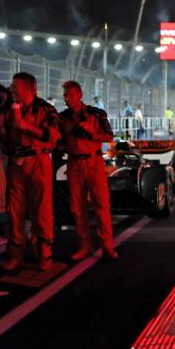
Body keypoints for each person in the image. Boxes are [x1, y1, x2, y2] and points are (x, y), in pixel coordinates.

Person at [2, 72, 61, 272]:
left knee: (42, 208)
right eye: (12, 86)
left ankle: (44, 249)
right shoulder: (7, 109)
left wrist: (25, 125)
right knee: (14, 209)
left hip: (38, 160)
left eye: (16, 86)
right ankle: (16, 251)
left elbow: (52, 137)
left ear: (31, 88)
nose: (12, 89)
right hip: (15, 164)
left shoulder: (46, 109)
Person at [59, 81, 117, 261]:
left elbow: (109, 135)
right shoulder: (62, 118)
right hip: (74, 164)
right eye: (65, 95)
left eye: (70, 95)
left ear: (80, 95)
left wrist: (90, 135)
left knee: (102, 205)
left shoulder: (96, 114)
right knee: (77, 207)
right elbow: (58, 141)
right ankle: (84, 246)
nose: (67, 98)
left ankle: (107, 246)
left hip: (94, 162)